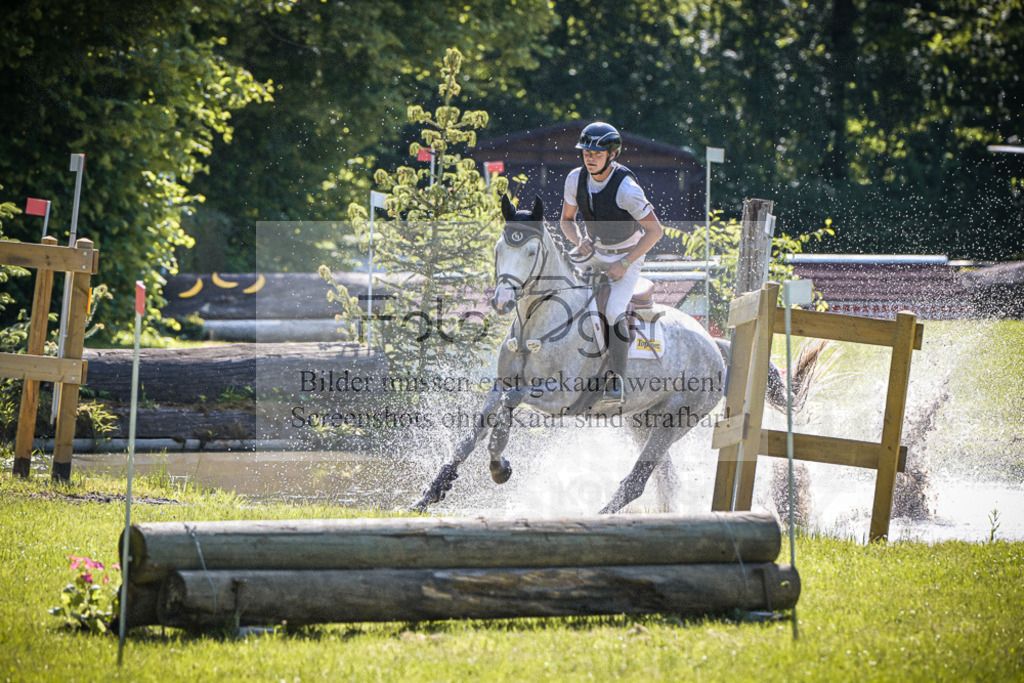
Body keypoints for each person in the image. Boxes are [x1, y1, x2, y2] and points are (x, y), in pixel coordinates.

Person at [560, 121, 665, 405]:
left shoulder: (627, 189)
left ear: (612, 154)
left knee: (614, 309)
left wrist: (626, 263)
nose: (590, 158)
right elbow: (566, 221)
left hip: (628, 253)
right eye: (586, 153)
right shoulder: (574, 179)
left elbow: (656, 232)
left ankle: (616, 379)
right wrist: (578, 240)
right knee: (560, 289)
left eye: (597, 153)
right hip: (594, 250)